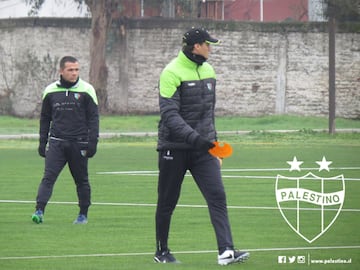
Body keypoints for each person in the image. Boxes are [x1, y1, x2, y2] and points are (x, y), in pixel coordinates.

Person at [154, 27, 249, 265]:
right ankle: (161, 251)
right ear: (196, 46)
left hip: (204, 148)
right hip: (173, 148)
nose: (211, 48)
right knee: (167, 201)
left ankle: (226, 251)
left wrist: (214, 147)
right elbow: (170, 116)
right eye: (209, 44)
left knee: (217, 195)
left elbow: (208, 115)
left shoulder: (209, 70)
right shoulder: (171, 72)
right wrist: (197, 139)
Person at [31, 56, 99, 225]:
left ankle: (83, 215)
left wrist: (93, 142)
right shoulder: (50, 91)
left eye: (76, 70)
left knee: (81, 180)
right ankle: (39, 211)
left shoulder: (87, 90)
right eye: (70, 70)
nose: (74, 73)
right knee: (48, 178)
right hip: (57, 143)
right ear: (61, 71)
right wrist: (42, 142)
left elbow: (93, 119)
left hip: (79, 143)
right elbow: (45, 118)